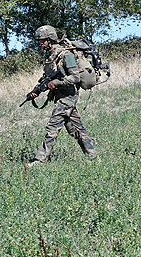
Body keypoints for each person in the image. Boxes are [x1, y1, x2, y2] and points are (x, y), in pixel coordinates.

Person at [26, 25, 96, 166]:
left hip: (68, 96)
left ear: (50, 39)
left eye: (43, 40)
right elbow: (46, 78)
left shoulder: (66, 55)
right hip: (60, 96)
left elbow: (75, 78)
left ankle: (40, 160)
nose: (40, 43)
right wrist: (36, 91)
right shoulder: (50, 55)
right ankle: (93, 156)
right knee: (76, 129)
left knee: (53, 127)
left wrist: (56, 83)